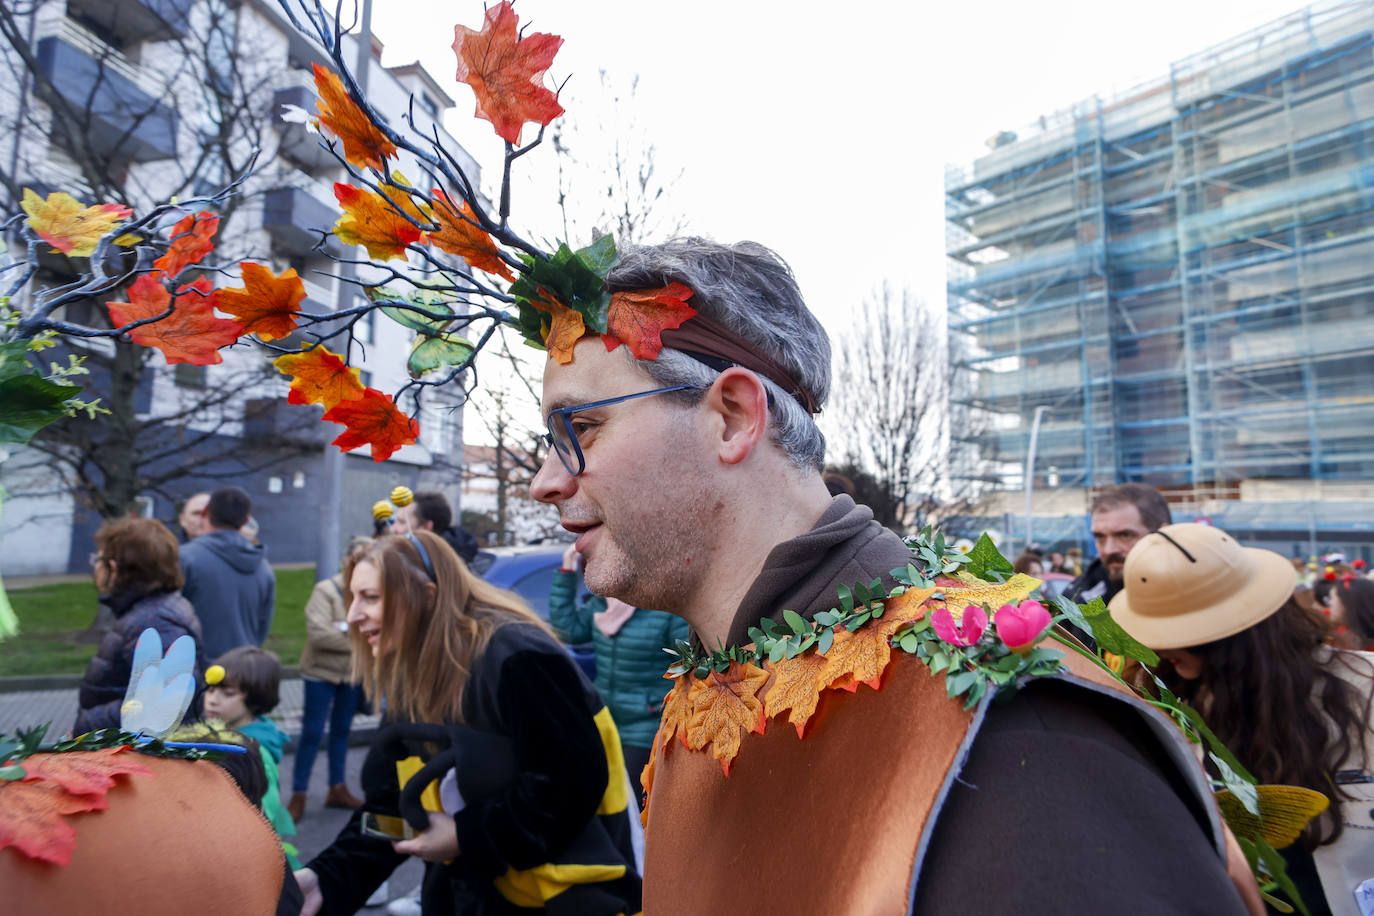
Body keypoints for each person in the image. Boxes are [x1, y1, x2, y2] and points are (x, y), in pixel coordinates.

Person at [529, 238, 1258, 913]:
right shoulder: (704, 697)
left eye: (579, 429)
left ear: (731, 416)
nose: (543, 483)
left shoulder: (1013, 728)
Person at [293, 531, 641, 915]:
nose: (353, 616)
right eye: (353, 597)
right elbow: (393, 808)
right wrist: (326, 878)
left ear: (426, 596)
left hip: (565, 899)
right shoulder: (412, 674)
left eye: (370, 598)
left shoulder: (518, 657)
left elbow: (570, 784)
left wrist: (465, 835)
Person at [1111, 524, 1374, 916]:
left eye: (1171, 633)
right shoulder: (1172, 706)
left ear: (1227, 639)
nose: (1159, 648)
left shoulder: (1363, 688)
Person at [550, 543, 691, 795]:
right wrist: (566, 571)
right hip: (605, 719)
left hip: (645, 726)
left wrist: (661, 705)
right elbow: (567, 629)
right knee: (601, 797)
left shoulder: (664, 609)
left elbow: (689, 666)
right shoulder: (602, 605)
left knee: (631, 801)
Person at [75, 518, 209, 735]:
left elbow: (164, 704)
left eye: (97, 559)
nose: (95, 566)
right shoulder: (152, 612)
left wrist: (88, 726)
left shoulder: (156, 622)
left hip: (140, 759)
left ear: (113, 567)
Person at [288, 537, 372, 823]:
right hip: (320, 674)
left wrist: (345, 628)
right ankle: (298, 795)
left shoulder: (372, 591)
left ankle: (337, 789)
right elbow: (319, 634)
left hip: (351, 675)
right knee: (311, 734)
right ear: (345, 561)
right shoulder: (326, 591)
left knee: (342, 732)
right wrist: (360, 639)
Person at [204, 645, 300, 870]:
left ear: (256, 698)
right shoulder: (224, 733)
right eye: (210, 690)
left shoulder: (253, 751)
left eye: (227, 694)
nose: (213, 700)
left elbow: (262, 814)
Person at [179, 486, 276, 659]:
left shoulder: (184, 559)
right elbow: (262, 628)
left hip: (193, 673)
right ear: (246, 519)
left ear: (205, 514)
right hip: (242, 673)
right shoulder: (264, 568)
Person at [1063, 482, 1171, 606]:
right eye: (1100, 537)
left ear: (1163, 534)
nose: (1109, 550)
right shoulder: (1079, 598)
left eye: (1125, 535)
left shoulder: (1195, 586)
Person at [394, 489, 480, 563]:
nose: (394, 528)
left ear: (426, 527)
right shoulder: (429, 561)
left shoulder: (438, 571)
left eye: (401, 522)